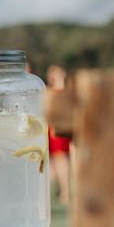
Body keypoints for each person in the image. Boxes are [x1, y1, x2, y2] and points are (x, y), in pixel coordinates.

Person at [46, 65, 71, 204]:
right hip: (51, 129)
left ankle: (65, 190)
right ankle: (59, 189)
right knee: (54, 163)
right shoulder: (49, 91)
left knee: (62, 161)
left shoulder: (65, 91)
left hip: (60, 128)